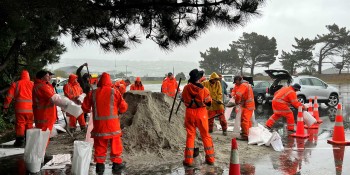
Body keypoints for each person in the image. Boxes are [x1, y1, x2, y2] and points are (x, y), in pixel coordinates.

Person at [82, 72, 128, 174]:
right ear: (109, 81)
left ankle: (100, 166)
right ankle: (116, 165)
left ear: (99, 81)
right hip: (113, 126)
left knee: (99, 146)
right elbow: (124, 107)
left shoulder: (93, 93)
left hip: (99, 127)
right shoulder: (114, 92)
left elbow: (84, 108)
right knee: (115, 145)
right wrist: (119, 111)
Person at [182, 69, 215, 167]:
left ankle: (188, 160)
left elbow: (183, 99)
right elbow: (209, 103)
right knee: (205, 136)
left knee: (190, 136)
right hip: (201, 114)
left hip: (190, 113)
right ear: (199, 78)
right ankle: (210, 159)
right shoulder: (205, 90)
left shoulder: (186, 88)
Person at [3, 70, 34, 147]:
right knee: (29, 124)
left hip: (20, 108)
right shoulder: (32, 84)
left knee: (20, 124)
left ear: (21, 76)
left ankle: (20, 141)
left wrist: (5, 107)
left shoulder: (16, 84)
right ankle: (29, 140)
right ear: (28, 76)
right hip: (31, 109)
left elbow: (9, 96)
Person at [231, 76, 255, 140]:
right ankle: (247, 132)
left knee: (245, 120)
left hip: (248, 105)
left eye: (236, 82)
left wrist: (236, 101)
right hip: (245, 105)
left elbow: (239, 94)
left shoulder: (243, 85)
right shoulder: (241, 85)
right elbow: (235, 91)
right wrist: (233, 95)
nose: (236, 83)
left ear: (239, 80)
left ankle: (245, 135)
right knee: (245, 120)